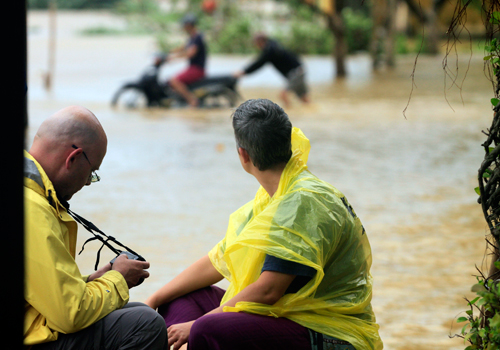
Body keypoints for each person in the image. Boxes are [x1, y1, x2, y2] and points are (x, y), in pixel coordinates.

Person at [145, 99, 383, 350]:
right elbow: (220, 258)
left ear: (243, 155)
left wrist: (195, 325)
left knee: (206, 328)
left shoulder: (302, 202)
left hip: (330, 332)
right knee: (181, 297)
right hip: (286, 316)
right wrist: (153, 299)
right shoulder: (274, 196)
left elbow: (269, 290)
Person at [24, 105, 168, 349]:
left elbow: (40, 290)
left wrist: (94, 279)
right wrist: (118, 278)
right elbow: (70, 314)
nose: (88, 183)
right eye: (92, 172)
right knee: (144, 323)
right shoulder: (32, 208)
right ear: (74, 158)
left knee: (136, 311)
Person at [234, 34, 309, 108]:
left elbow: (258, 63)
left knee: (283, 95)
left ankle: (290, 115)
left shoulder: (270, 50)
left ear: (260, 42)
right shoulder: (274, 46)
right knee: (303, 98)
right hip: (299, 70)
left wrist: (244, 72)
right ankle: (309, 110)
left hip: (295, 73)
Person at [157, 14, 207, 107]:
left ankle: (192, 101)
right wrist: (168, 52)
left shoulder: (197, 37)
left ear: (189, 25)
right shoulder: (192, 37)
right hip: (193, 68)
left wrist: (173, 58)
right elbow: (182, 48)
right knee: (170, 80)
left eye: (184, 25)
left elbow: (190, 53)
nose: (183, 28)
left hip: (197, 69)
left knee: (174, 81)